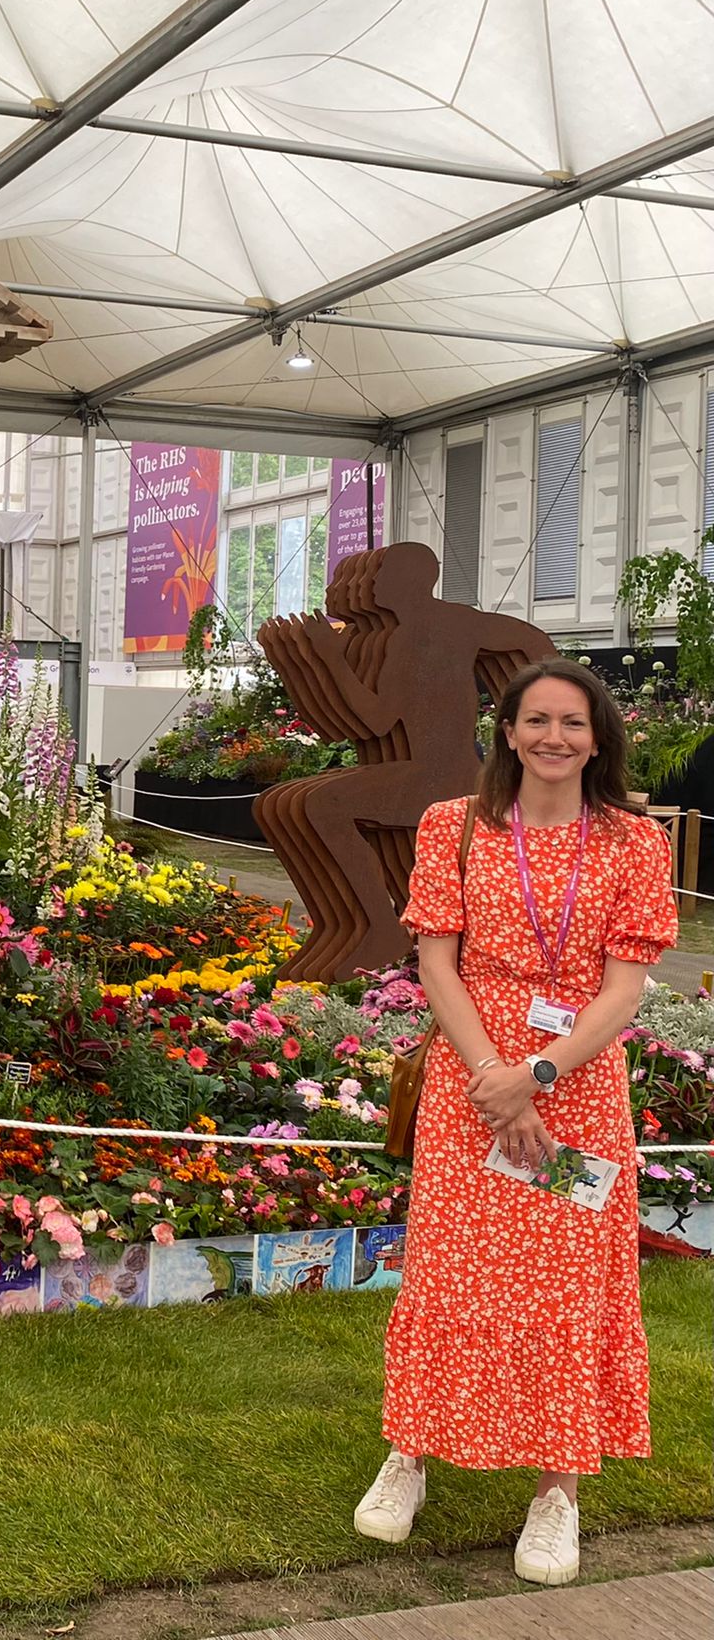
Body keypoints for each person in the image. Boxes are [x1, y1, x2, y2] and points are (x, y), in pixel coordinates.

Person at [353, 658, 677, 1584]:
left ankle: (557, 1492)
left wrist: (536, 1072)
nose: (554, 739)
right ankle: (409, 1457)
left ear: (598, 737)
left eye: (573, 724)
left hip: (574, 1091)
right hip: (471, 1088)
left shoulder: (632, 843)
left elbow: (626, 989)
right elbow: (437, 963)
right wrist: (494, 1078)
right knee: (451, 1272)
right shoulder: (454, 828)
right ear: (508, 730)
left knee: (570, 1287)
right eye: (537, 720)